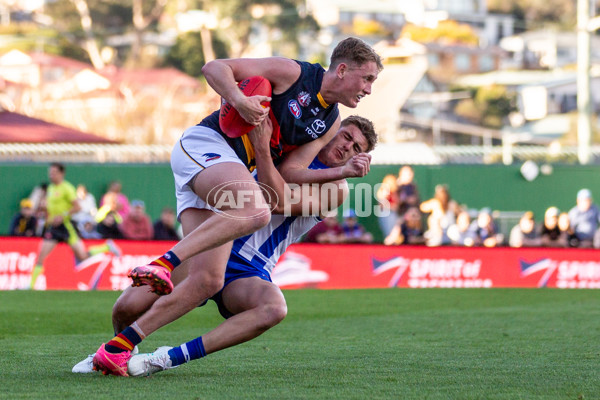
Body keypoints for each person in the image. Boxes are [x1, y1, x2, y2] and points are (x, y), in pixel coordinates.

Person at [88, 37, 382, 376]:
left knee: (261, 300)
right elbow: (215, 68)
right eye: (347, 137)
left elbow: (280, 196)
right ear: (342, 69)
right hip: (215, 189)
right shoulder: (295, 78)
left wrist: (329, 168)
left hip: (243, 260)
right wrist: (240, 100)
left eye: (356, 147)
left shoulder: (335, 183)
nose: (347, 147)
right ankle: (160, 270)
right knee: (128, 307)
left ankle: (135, 355)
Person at [29, 163, 121, 289]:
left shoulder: (67, 188)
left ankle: (106, 246)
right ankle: (31, 286)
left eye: (54, 172)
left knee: (82, 256)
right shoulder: (51, 188)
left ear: (61, 173)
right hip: (54, 227)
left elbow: (77, 207)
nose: (51, 175)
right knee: (41, 255)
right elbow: (51, 208)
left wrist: (63, 215)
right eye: (50, 172)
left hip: (66, 226)